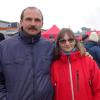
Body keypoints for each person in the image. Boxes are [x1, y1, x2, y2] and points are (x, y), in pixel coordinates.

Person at [0, 7, 54, 100]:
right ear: (21, 22)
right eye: (28, 19)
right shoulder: (3, 47)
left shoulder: (50, 47)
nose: (33, 23)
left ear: (42, 24)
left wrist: (83, 54)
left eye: (37, 20)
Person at [51, 28, 100, 100]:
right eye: (63, 41)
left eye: (70, 40)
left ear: (75, 41)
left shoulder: (89, 62)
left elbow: (98, 88)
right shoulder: (54, 66)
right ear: (58, 43)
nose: (67, 43)